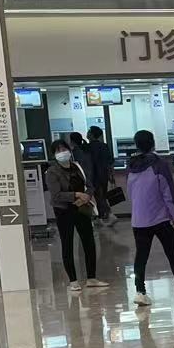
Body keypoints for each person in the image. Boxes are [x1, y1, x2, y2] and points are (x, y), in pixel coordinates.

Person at [126, 130, 174, 307]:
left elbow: (131, 193)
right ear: (153, 143)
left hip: (139, 220)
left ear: (136, 145)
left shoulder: (131, 166)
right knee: (172, 253)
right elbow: (167, 192)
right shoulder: (159, 164)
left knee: (141, 256)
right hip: (160, 218)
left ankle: (140, 292)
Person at [45, 138, 106, 293]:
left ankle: (91, 278)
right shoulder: (52, 172)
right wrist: (76, 195)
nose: (62, 153)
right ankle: (73, 280)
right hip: (64, 211)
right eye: (58, 151)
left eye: (64, 149)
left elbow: (89, 185)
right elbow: (56, 195)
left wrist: (86, 195)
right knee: (67, 244)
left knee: (89, 242)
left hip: (82, 209)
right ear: (54, 154)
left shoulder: (77, 166)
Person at [85, 125, 115, 225]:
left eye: (89, 132)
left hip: (93, 175)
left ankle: (110, 215)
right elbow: (110, 162)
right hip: (104, 175)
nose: (87, 133)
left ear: (92, 135)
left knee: (99, 197)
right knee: (101, 196)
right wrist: (111, 175)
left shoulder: (88, 147)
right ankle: (101, 217)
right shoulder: (104, 146)